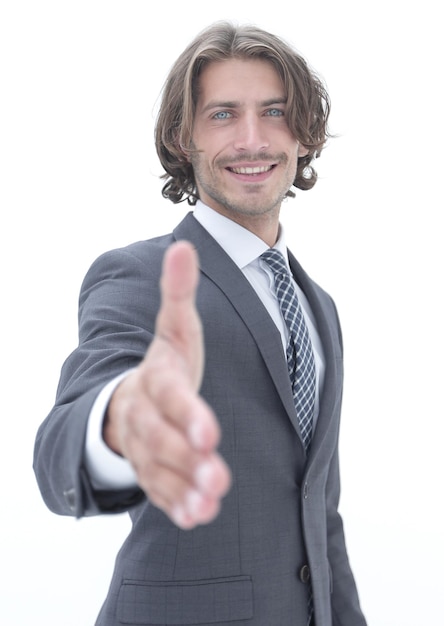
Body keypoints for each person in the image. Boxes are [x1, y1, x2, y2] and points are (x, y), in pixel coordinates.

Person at [33, 21, 367, 626]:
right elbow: (63, 445)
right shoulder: (144, 277)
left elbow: (321, 512)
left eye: (274, 111)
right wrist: (118, 422)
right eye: (221, 115)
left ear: (303, 134)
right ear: (182, 137)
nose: (251, 139)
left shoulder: (319, 305)